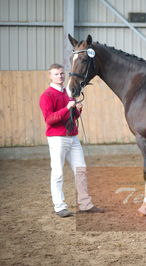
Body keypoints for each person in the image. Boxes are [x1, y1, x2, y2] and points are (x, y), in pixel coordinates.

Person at [39, 63, 104, 217]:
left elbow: (70, 117)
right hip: (57, 138)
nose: (60, 76)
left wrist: (77, 111)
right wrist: (67, 108)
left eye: (62, 73)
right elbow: (50, 119)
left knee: (81, 169)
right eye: (56, 74)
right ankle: (59, 206)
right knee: (58, 172)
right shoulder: (46, 96)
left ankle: (85, 204)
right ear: (50, 76)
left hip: (72, 137)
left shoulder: (67, 94)